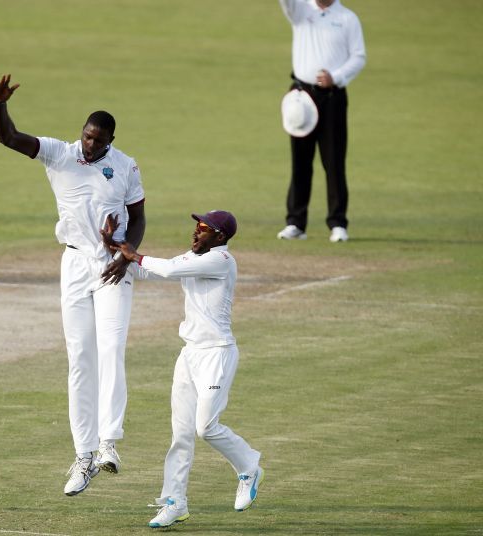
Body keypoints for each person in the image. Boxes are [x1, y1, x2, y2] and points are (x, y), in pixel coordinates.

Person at [0, 74, 147, 496]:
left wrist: (125, 252)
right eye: (86, 135)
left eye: (97, 139)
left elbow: (140, 216)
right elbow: (10, 139)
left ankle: (108, 443)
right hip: (75, 262)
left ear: (111, 139)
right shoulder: (60, 153)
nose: (88, 144)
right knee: (80, 358)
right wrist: (0, 105)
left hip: (113, 265)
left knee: (111, 350)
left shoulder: (127, 167)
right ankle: (83, 456)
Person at [101, 210, 263, 528]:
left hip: (217, 355)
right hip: (189, 355)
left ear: (220, 236)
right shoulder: (194, 256)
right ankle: (175, 502)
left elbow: (167, 268)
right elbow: (154, 271)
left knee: (207, 427)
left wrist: (132, 253)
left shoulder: (221, 260)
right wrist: (116, 246)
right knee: (181, 434)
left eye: (203, 228)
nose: (195, 232)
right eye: (196, 226)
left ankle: (249, 466)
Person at [276, 0, 366, 243]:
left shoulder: (347, 18)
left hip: (332, 96)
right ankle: (295, 222)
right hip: (302, 97)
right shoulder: (301, 10)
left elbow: (358, 57)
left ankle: (337, 223)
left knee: (334, 161)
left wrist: (335, 77)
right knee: (300, 161)